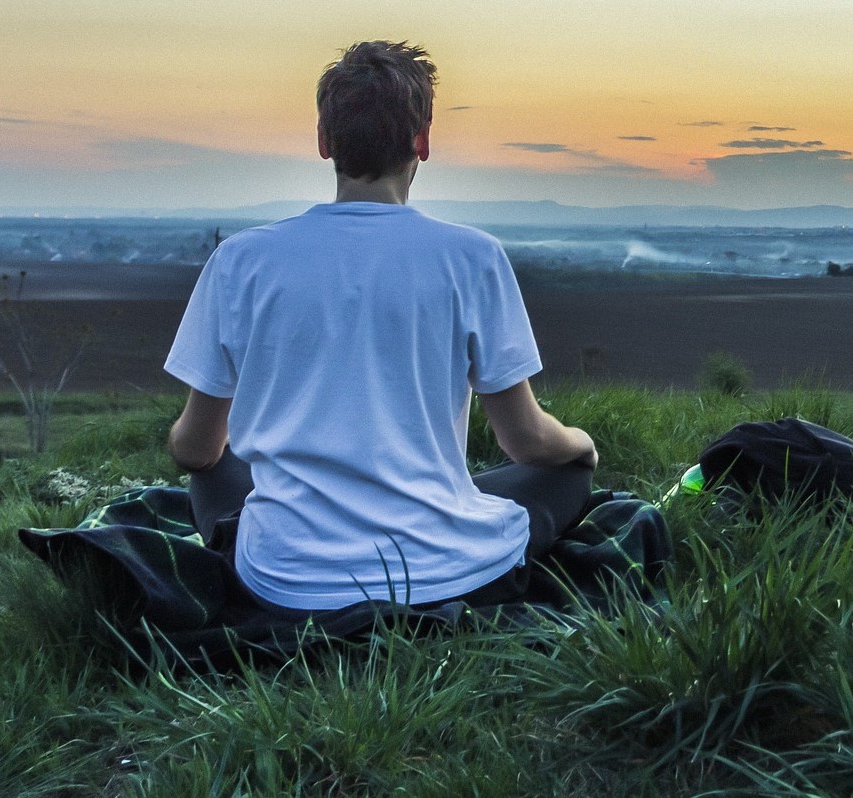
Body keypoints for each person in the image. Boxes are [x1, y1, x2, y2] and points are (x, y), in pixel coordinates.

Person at [165, 40, 597, 618]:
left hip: (286, 583)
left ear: (324, 142)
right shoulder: (472, 257)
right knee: (565, 475)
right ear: (422, 141)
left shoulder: (241, 261)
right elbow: (526, 443)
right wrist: (581, 445)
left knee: (214, 465)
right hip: (446, 574)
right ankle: (449, 517)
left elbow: (194, 450)